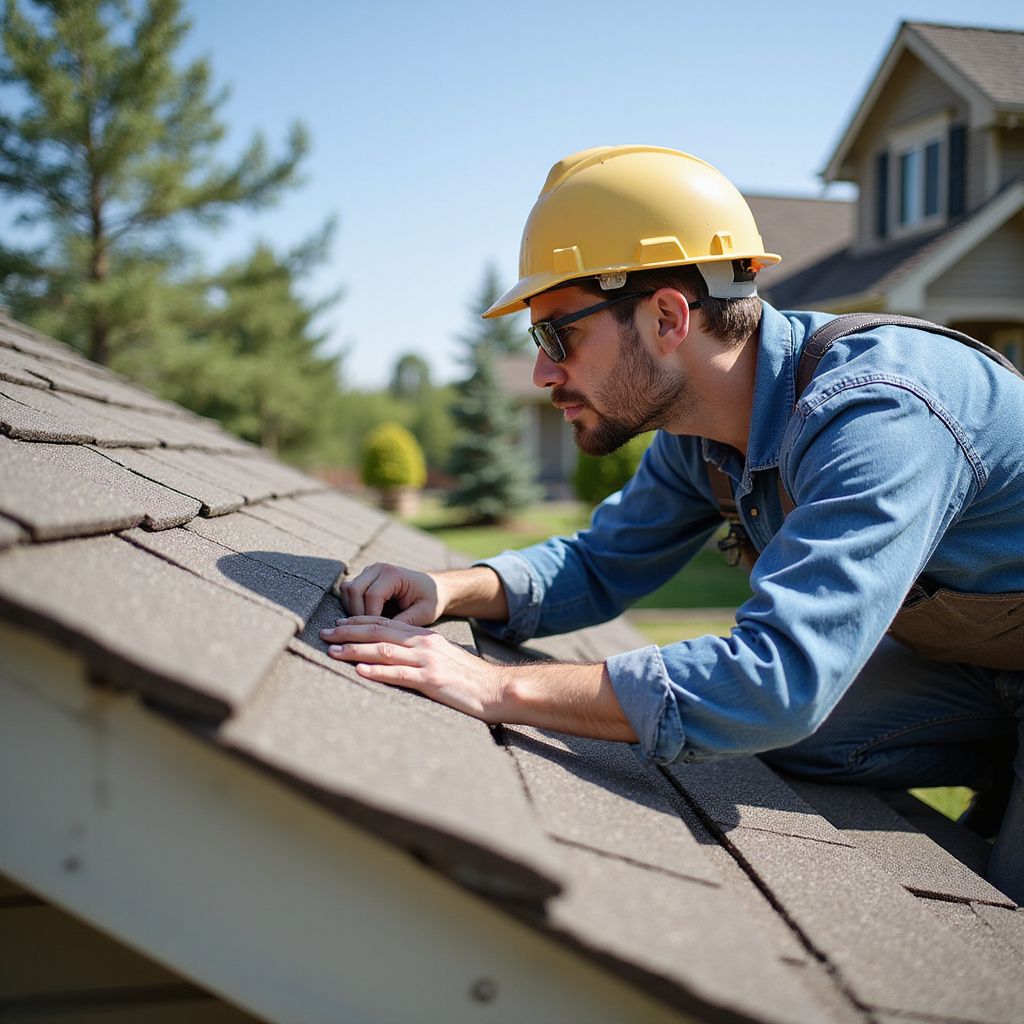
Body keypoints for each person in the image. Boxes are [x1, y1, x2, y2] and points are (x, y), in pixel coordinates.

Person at [321, 146, 1024, 900]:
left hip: (979, 671)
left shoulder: (878, 415)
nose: (542, 374)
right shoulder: (702, 438)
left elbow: (778, 680)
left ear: (666, 315)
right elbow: (600, 564)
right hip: (978, 676)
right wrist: (446, 587)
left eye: (557, 336)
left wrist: (496, 688)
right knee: (777, 749)